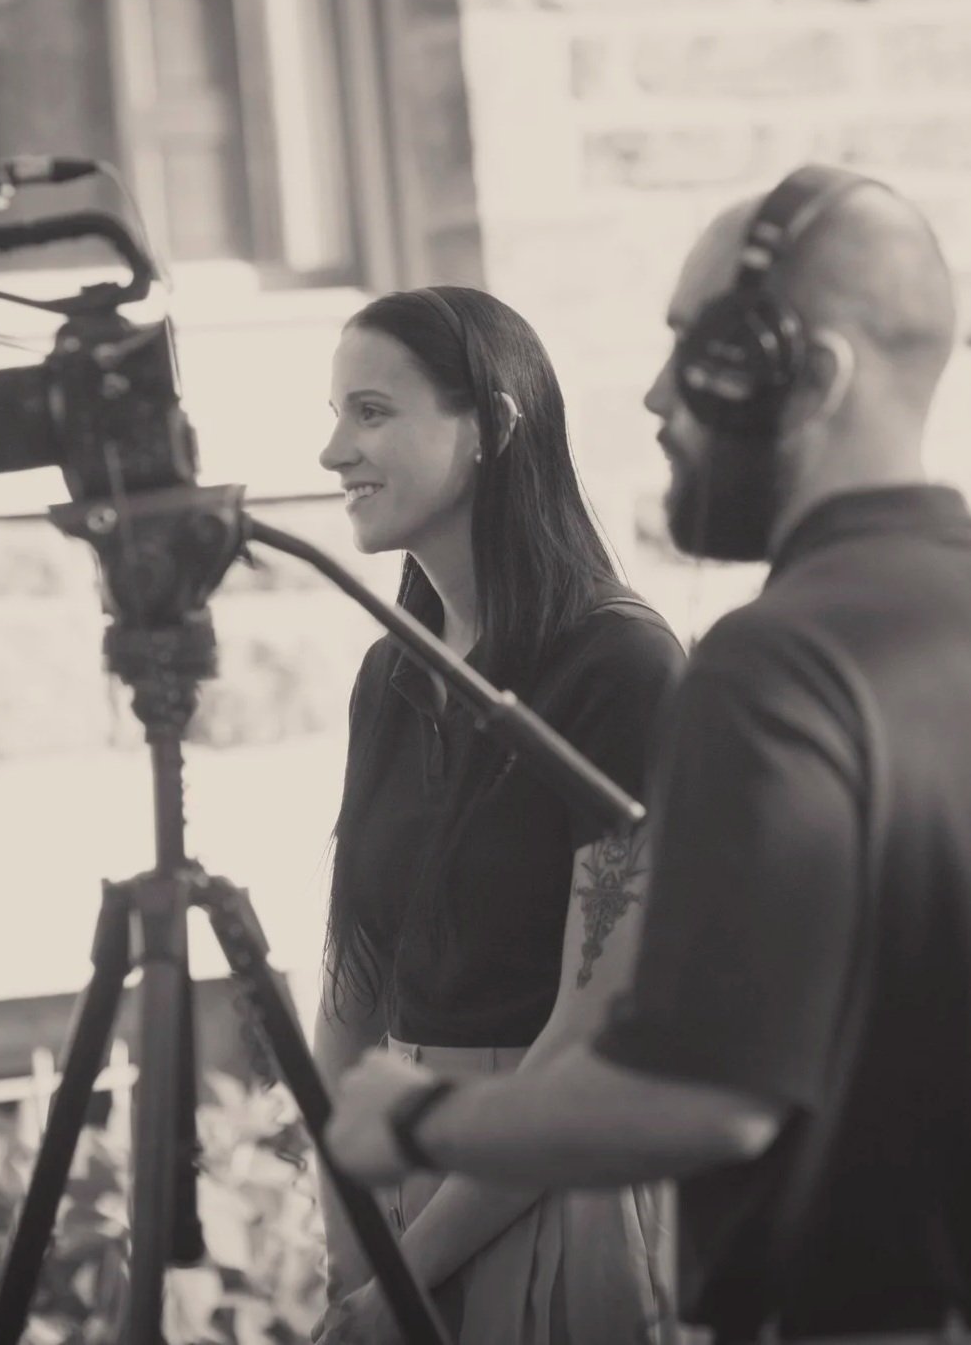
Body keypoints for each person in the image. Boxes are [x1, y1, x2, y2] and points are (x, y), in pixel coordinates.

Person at [325, 168, 971, 1345]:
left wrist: (422, 1123)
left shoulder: (773, 668)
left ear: (812, 374)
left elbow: (709, 1092)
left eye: (695, 349)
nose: (655, 396)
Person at [310, 285, 688, 1344]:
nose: (333, 453)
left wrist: (402, 1277)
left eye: (372, 412)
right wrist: (350, 1234)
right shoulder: (390, 673)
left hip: (554, 1192)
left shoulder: (621, 666)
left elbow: (586, 1040)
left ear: (492, 425)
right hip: (397, 1187)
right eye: (335, 415)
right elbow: (351, 987)